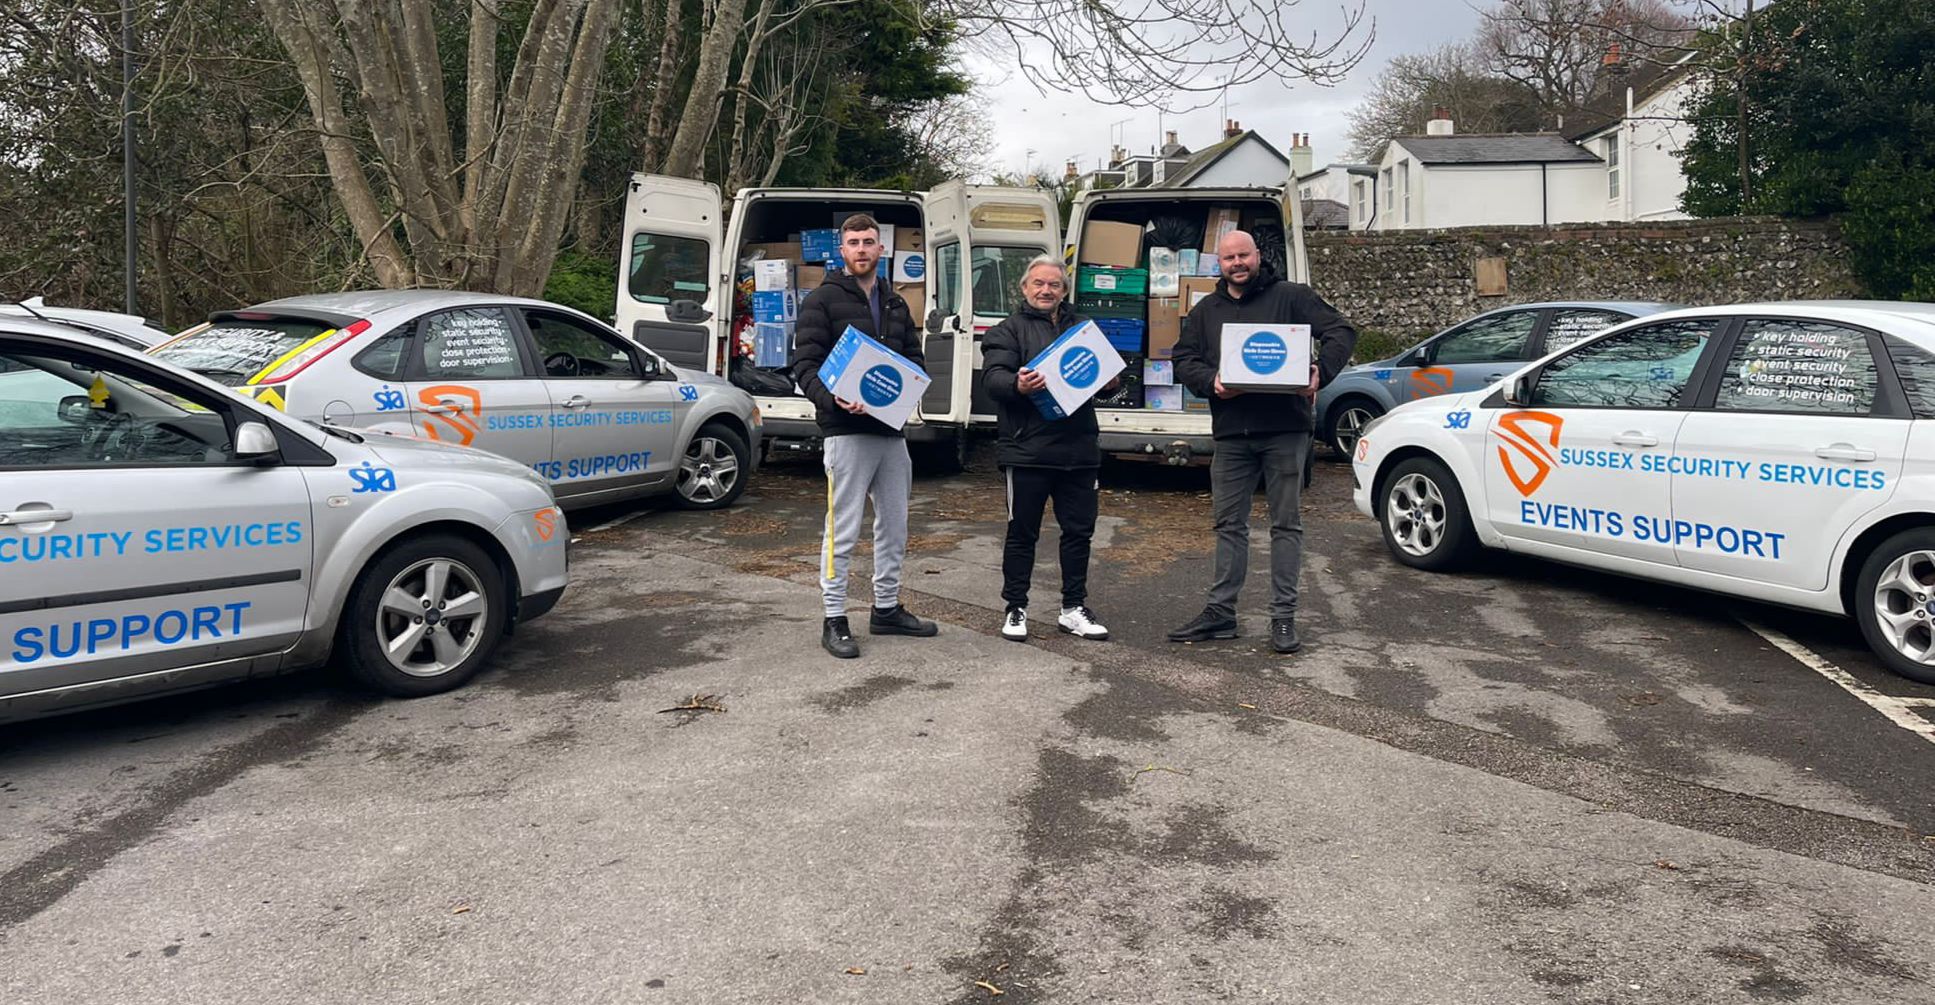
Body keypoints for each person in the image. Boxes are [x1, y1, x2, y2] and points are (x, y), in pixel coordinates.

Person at [1167, 229, 1358, 654]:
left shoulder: (1292, 297)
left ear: (1258, 256)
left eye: (1244, 255)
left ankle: (1283, 617)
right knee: (1228, 525)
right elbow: (1183, 358)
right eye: (1229, 258)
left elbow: (1342, 331)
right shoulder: (1207, 310)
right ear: (1219, 264)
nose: (1237, 263)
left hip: (1285, 431)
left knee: (1285, 525)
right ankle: (1221, 614)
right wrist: (1211, 382)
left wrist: (1320, 372)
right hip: (1232, 434)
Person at [791, 213, 938, 658]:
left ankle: (886, 608)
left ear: (881, 248)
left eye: (868, 241)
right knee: (843, 529)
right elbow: (804, 366)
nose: (861, 249)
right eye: (853, 242)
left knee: (895, 525)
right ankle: (834, 617)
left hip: (890, 434)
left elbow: (914, 361)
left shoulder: (895, 303)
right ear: (842, 250)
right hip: (846, 432)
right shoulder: (822, 300)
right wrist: (834, 399)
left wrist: (909, 387)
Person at [980, 256, 1115, 643]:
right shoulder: (1007, 330)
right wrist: (1017, 385)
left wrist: (1111, 382)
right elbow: (993, 378)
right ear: (1024, 288)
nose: (1045, 290)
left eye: (1054, 284)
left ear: (1064, 290)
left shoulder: (1083, 329)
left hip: (1079, 450)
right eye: (1038, 283)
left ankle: (1073, 608)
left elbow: (1107, 378)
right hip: (1027, 450)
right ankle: (1015, 607)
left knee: (1079, 533)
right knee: (1022, 533)